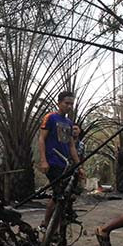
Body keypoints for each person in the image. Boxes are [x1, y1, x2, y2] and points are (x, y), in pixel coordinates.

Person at [38, 90, 81, 232]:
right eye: (66, 103)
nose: (69, 106)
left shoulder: (69, 123)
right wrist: (43, 160)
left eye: (71, 104)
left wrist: (79, 166)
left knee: (62, 196)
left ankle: (52, 228)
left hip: (65, 164)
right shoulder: (50, 118)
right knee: (59, 194)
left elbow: (71, 146)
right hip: (52, 161)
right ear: (59, 103)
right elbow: (41, 139)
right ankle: (48, 226)